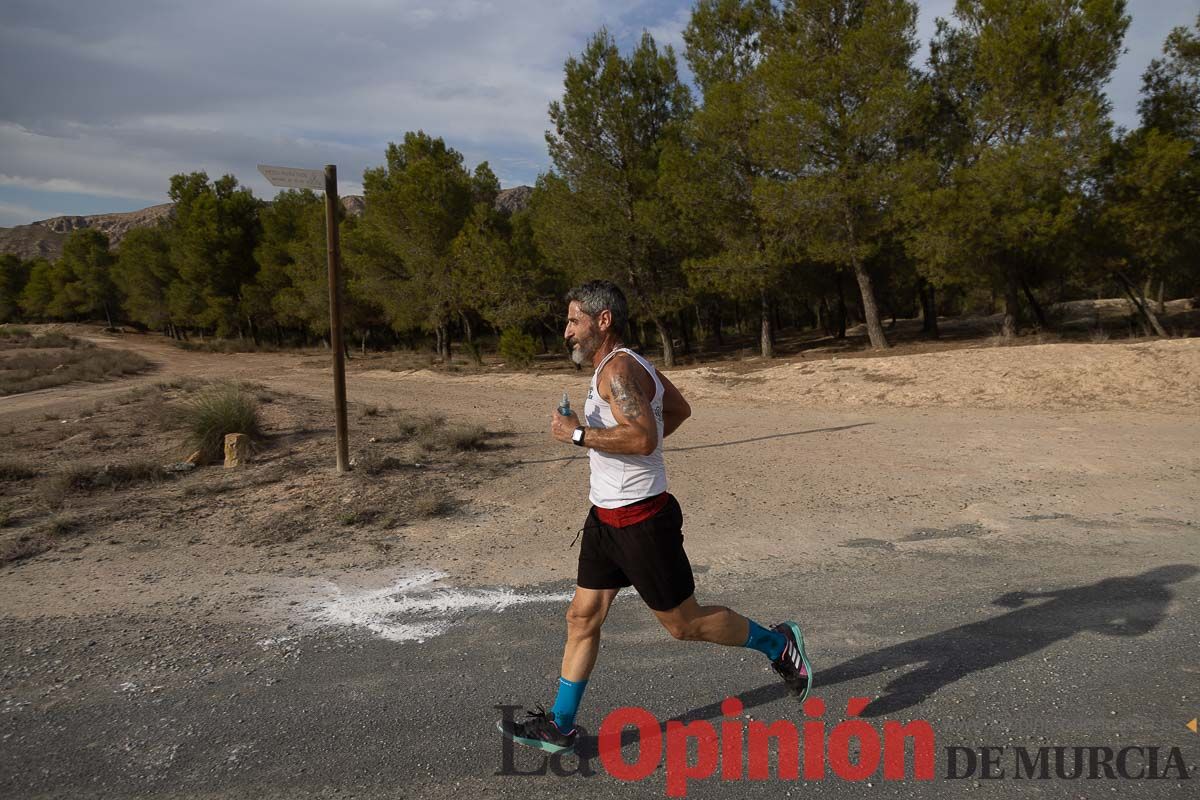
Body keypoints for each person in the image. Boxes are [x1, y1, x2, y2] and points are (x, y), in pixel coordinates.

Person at [497, 280, 812, 755]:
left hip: (641, 521)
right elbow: (677, 410)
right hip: (605, 518)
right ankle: (560, 725)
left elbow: (644, 439)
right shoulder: (627, 364)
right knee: (582, 617)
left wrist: (579, 435)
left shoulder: (619, 370)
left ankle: (778, 644)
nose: (566, 331)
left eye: (573, 320)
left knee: (684, 625)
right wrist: (618, 441)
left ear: (603, 321)